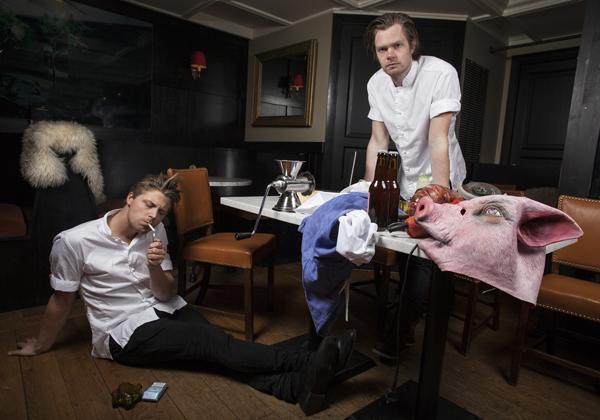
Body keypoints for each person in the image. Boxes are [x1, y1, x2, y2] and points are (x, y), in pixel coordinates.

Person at [8, 173, 355, 415]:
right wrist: (41, 344)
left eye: (161, 211)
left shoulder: (156, 231)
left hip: (164, 308)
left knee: (213, 347)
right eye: (148, 205)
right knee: (209, 344)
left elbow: (167, 292)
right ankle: (306, 362)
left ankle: (292, 388)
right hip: (122, 331)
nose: (153, 215)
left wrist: (154, 267)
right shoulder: (74, 241)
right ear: (130, 199)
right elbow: (62, 300)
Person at [362, 13, 467, 362]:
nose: (389, 54)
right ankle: (408, 314)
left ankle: (400, 331)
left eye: (397, 45)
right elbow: (378, 141)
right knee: (407, 256)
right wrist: (368, 187)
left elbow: (438, 138)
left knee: (425, 257)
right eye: (382, 49)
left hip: (441, 176)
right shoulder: (375, 84)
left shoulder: (441, 73)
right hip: (405, 180)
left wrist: (439, 194)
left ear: (412, 45)